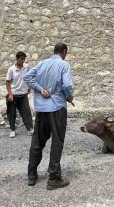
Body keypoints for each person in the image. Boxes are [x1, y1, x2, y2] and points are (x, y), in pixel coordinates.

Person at [23, 43, 74, 190]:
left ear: (54, 51)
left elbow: (27, 77)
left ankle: (31, 174)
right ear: (64, 51)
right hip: (57, 107)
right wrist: (69, 96)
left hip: (42, 109)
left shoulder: (42, 63)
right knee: (57, 141)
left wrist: (40, 89)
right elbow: (67, 85)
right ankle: (54, 178)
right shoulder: (64, 65)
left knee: (38, 141)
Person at [6, 51, 34, 138]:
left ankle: (30, 129)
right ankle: (12, 130)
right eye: (21, 59)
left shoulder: (27, 67)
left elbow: (30, 76)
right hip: (13, 95)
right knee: (12, 113)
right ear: (17, 59)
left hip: (23, 94)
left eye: (24, 59)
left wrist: (29, 86)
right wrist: (10, 94)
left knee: (26, 112)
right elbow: (7, 82)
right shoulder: (11, 69)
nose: (23, 61)